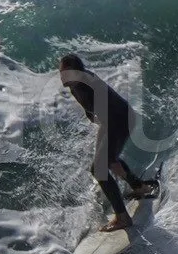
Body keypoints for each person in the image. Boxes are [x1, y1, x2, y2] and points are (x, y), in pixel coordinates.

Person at [59, 54, 159, 231]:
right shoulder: (74, 87)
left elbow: (113, 114)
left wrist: (109, 158)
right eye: (61, 72)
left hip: (120, 121)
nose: (63, 77)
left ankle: (122, 218)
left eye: (67, 73)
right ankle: (139, 187)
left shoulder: (89, 84)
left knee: (99, 168)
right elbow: (90, 109)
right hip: (109, 122)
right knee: (107, 162)